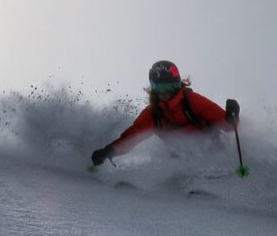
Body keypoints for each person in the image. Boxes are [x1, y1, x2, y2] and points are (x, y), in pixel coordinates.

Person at [90, 60, 239, 168]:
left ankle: (218, 179)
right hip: (181, 160)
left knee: (206, 157)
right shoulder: (152, 114)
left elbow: (228, 125)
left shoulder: (192, 101)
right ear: (153, 88)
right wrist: (108, 151)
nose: (167, 92)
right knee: (177, 163)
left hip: (213, 149)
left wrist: (232, 115)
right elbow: (131, 138)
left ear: (178, 83)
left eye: (172, 86)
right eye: (161, 87)